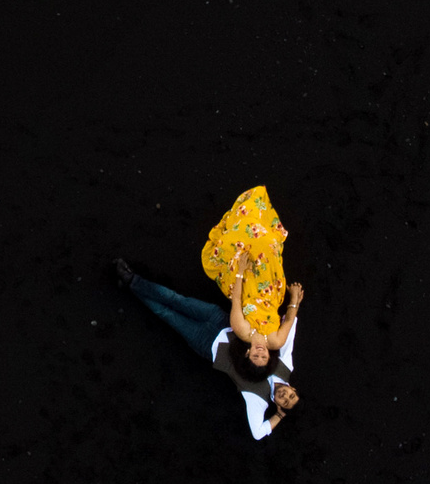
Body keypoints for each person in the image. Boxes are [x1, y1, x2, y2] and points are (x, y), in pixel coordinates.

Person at [116, 183, 306, 439]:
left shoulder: (257, 399)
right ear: (293, 388)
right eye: (291, 394)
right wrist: (294, 303)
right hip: (220, 321)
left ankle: (130, 287)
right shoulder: (285, 365)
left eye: (285, 402)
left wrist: (278, 418)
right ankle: (133, 280)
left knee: (167, 315)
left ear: (280, 405)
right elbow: (289, 331)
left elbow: (258, 432)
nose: (285, 395)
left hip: (206, 344)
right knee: (176, 299)